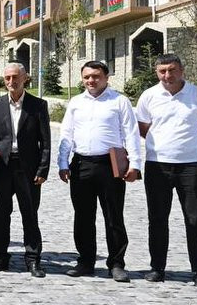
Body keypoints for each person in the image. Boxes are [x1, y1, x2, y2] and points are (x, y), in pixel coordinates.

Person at [135, 53, 197, 290]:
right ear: (156, 73)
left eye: (172, 70)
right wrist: (161, 144)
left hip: (190, 166)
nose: (167, 75)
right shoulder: (149, 96)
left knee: (194, 218)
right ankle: (157, 268)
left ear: (182, 70)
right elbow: (142, 127)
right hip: (157, 165)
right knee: (157, 218)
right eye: (162, 71)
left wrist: (194, 144)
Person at [57, 60, 141, 282]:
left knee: (113, 216)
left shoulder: (119, 101)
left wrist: (135, 164)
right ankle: (85, 261)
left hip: (109, 165)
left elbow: (131, 133)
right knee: (83, 216)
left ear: (106, 77)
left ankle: (116, 263)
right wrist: (63, 163)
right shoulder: (76, 102)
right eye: (87, 77)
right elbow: (66, 133)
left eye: (96, 76)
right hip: (81, 164)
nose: (91, 80)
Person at [0, 63, 50, 277]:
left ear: (25, 78)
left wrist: (43, 169)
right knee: (1, 212)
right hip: (2, 167)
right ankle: (0, 257)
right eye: (8, 78)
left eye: (16, 77)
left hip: (28, 167)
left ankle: (33, 259)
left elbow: (45, 141)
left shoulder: (38, 105)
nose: (12, 81)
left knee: (30, 213)